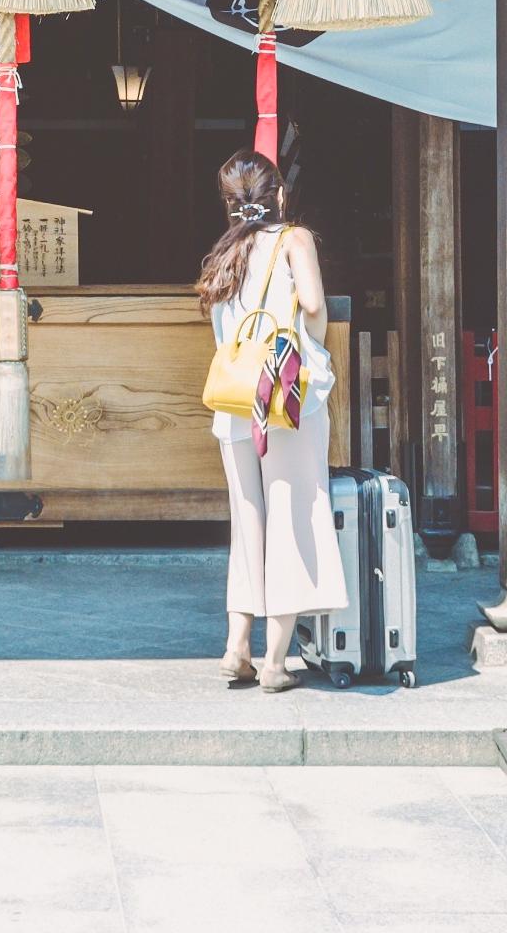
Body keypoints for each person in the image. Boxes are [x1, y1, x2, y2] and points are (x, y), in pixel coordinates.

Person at [198, 146, 342, 689]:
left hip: (235, 400)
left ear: (231, 205)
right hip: (284, 397)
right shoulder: (294, 240)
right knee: (292, 514)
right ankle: (276, 662)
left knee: (248, 520)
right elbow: (311, 303)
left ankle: (237, 647)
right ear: (279, 196)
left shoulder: (223, 254)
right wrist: (316, 342)